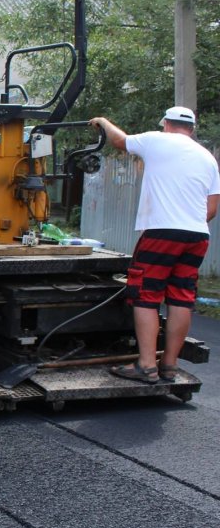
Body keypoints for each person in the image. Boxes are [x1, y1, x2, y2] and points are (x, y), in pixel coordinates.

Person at [90, 107, 220, 384]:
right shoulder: (207, 158)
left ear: (166, 124)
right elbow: (211, 209)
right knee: (181, 296)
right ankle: (169, 365)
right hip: (197, 236)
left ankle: (147, 366)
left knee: (146, 295)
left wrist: (103, 121)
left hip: (163, 232)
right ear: (192, 129)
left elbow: (119, 140)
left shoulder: (157, 140)